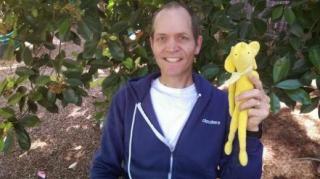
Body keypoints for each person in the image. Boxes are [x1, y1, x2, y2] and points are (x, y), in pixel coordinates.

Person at [90, 1, 270, 178]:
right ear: (152, 44)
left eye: (182, 37)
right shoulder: (128, 99)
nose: (172, 47)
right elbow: (105, 167)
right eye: (162, 38)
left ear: (197, 45)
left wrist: (251, 131)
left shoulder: (220, 104)